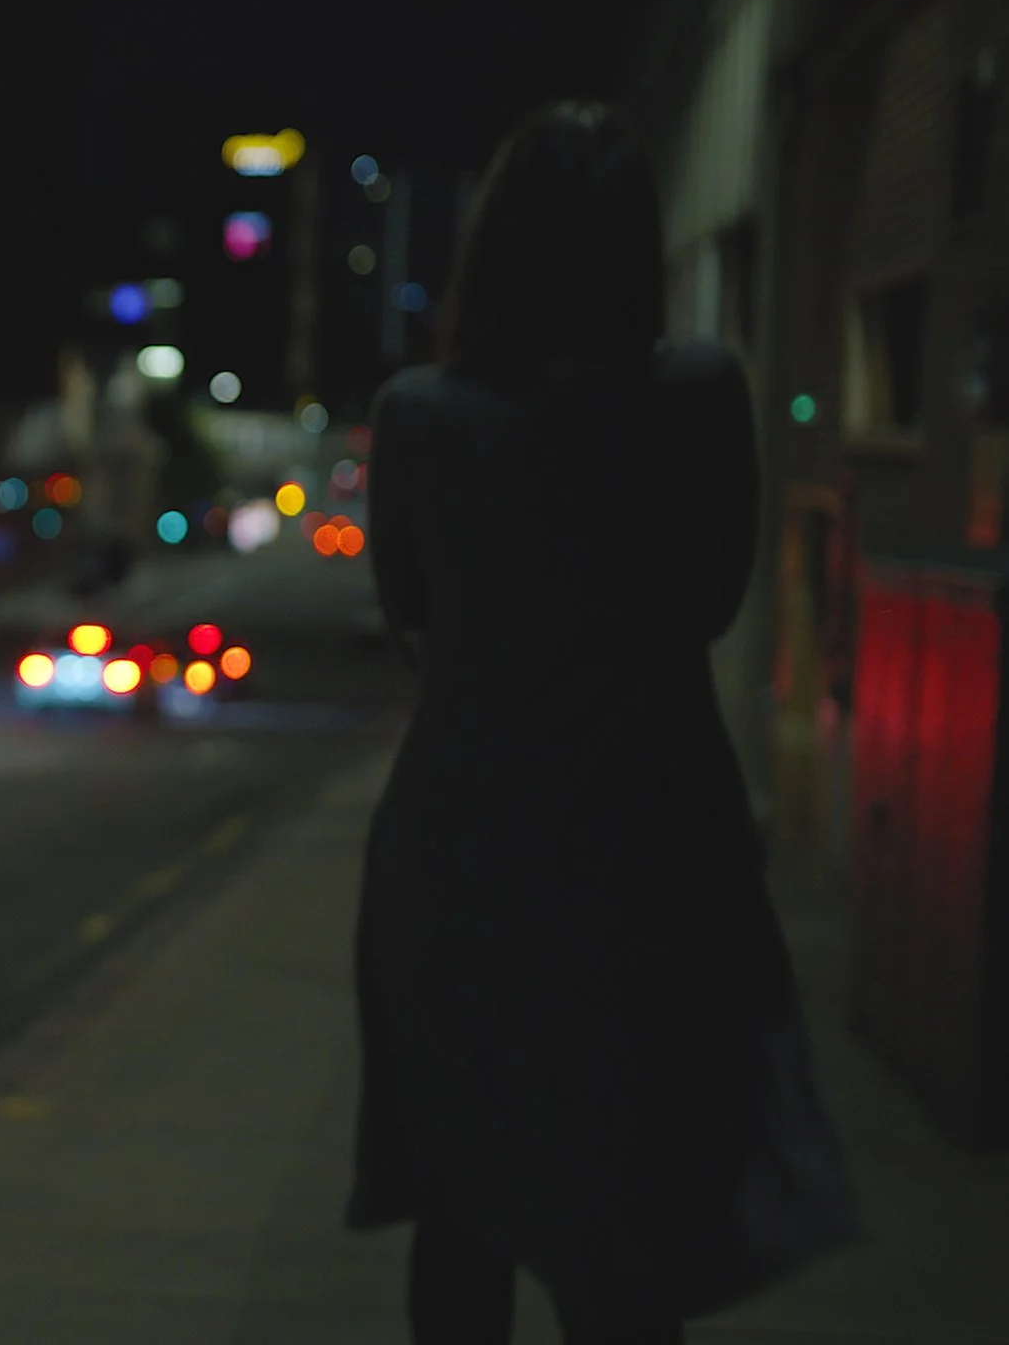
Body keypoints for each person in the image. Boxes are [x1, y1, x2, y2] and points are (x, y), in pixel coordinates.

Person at [346, 101, 862, 1344]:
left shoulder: (421, 412)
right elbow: (714, 595)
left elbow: (405, 605)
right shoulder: (699, 394)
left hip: (463, 851)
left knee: (461, 1212)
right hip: (653, 849)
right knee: (629, 1225)